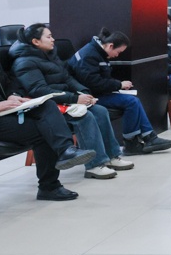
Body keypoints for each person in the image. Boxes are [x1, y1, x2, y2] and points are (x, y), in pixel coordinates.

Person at [0, 14, 93, 201]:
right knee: (44, 130)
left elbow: (9, 84)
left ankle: (67, 150)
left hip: (4, 112)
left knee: (47, 105)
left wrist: (13, 95)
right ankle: (50, 185)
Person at [10, 23, 131, 179]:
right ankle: (95, 164)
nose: (53, 39)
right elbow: (39, 91)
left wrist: (84, 93)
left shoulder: (51, 56)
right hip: (47, 107)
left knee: (100, 111)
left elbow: (68, 78)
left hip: (64, 100)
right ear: (36, 41)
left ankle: (112, 156)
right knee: (84, 116)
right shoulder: (24, 62)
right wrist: (74, 98)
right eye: (49, 36)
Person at [69, 28, 171, 155]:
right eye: (118, 52)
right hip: (88, 97)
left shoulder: (97, 52)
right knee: (131, 102)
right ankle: (133, 142)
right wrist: (118, 85)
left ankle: (148, 137)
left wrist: (117, 85)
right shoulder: (89, 56)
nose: (117, 55)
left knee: (133, 101)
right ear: (110, 46)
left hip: (96, 93)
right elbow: (94, 83)